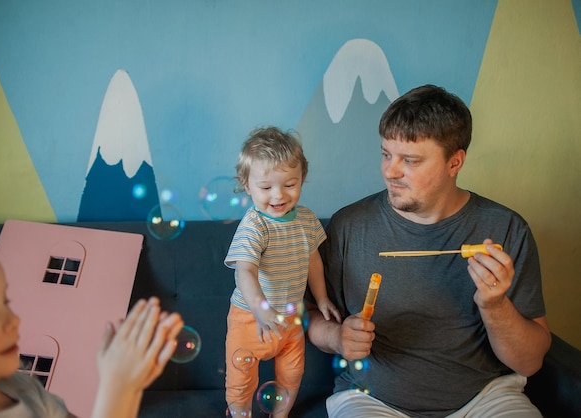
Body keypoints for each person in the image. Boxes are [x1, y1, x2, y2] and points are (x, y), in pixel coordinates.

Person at [306, 84, 551, 417]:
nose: (390, 171)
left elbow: (530, 361)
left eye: (410, 160)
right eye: (386, 154)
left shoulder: (506, 230)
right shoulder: (349, 225)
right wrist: (337, 337)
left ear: (455, 162)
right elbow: (310, 313)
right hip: (370, 400)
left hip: (486, 399)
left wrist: (494, 306)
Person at [0, 226, 184, 418]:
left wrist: (131, 385)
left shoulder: (23, 388)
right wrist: (118, 386)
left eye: (5, 302)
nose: (14, 320)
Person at [224, 126, 341, 417]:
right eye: (266, 188)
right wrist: (261, 308)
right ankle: (240, 413)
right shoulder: (255, 226)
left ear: (302, 179)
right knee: (241, 381)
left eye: (289, 184)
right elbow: (245, 272)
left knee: (292, 373)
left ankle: (280, 414)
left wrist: (322, 298)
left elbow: (313, 260)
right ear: (247, 184)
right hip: (250, 318)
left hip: (290, 316)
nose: (278, 195)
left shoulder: (306, 219)